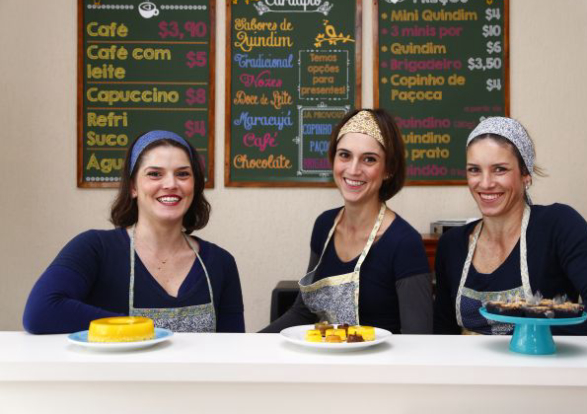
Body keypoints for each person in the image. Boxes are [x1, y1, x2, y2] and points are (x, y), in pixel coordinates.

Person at [23, 130, 244, 334]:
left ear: (194, 186)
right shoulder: (95, 248)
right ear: (133, 187)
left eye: (183, 174)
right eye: (155, 174)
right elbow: (40, 312)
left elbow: (233, 351)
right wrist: (138, 328)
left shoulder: (220, 263)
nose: (171, 183)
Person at [433, 116, 587, 336]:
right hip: (470, 369)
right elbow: (444, 332)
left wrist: (527, 327)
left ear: (525, 174)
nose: (485, 183)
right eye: (474, 170)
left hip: (541, 366)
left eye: (500, 169)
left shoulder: (558, 225)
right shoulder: (451, 245)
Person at [262, 109, 432, 334]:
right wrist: (252, 344)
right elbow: (303, 312)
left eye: (369, 159)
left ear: (388, 169)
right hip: (329, 363)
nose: (353, 169)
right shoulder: (324, 226)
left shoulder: (404, 242)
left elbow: (418, 341)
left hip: (381, 368)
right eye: (345, 155)